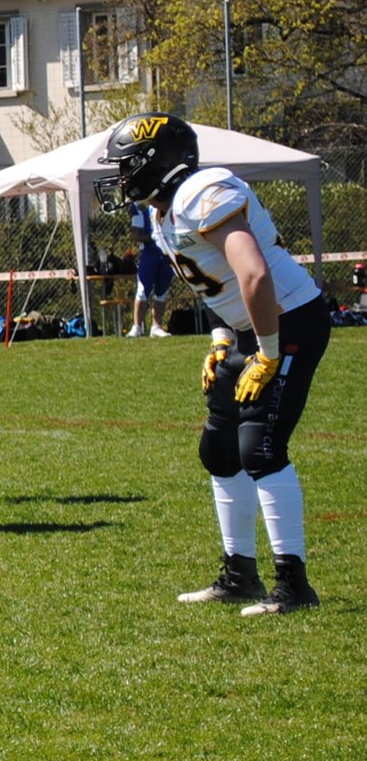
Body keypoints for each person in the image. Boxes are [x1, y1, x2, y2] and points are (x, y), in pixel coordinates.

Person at [103, 114, 327, 614]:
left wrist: (268, 352)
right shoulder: (164, 213)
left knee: (260, 448)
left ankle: (294, 586)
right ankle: (239, 576)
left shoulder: (201, 191)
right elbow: (218, 282)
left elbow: (254, 274)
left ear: (158, 162)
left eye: (127, 165)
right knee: (219, 450)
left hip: (288, 320)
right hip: (254, 326)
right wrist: (223, 338)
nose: (120, 177)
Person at [125, 201, 174, 337]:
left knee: (162, 291)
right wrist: (152, 237)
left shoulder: (168, 201)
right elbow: (135, 235)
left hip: (167, 252)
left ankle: (156, 326)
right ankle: (137, 326)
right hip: (149, 253)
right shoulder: (141, 205)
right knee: (142, 290)